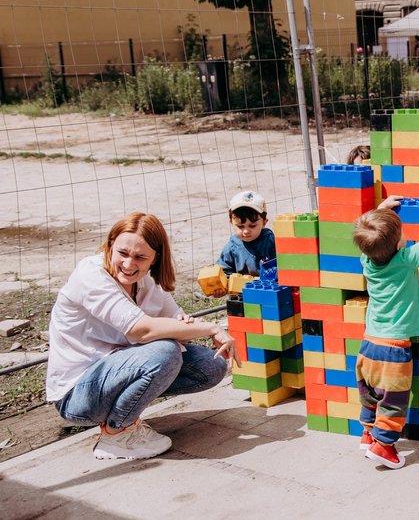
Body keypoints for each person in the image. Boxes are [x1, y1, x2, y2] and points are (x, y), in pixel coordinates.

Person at [46, 212, 238, 460]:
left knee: (210, 366)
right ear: (110, 245)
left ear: (155, 259)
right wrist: (211, 329)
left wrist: (190, 327)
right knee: (165, 352)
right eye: (122, 253)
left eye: (140, 257)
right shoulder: (91, 274)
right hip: (77, 395)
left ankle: (126, 415)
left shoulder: (147, 281)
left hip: (114, 374)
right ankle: (117, 434)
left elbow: (179, 325)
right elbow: (142, 330)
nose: (128, 264)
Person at [351, 194, 419, 469]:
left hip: (368, 345)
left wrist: (381, 210)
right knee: (394, 402)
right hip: (394, 349)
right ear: (399, 242)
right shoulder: (405, 260)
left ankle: (368, 434)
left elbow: (373, 236)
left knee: (370, 395)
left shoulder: (367, 261)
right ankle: (384, 447)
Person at [216, 190, 276, 278]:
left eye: (252, 226)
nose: (246, 231)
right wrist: (220, 286)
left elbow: (285, 266)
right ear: (231, 223)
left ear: (264, 222)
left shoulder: (270, 241)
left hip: (269, 290)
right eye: (240, 226)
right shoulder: (232, 247)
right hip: (241, 291)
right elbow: (223, 272)